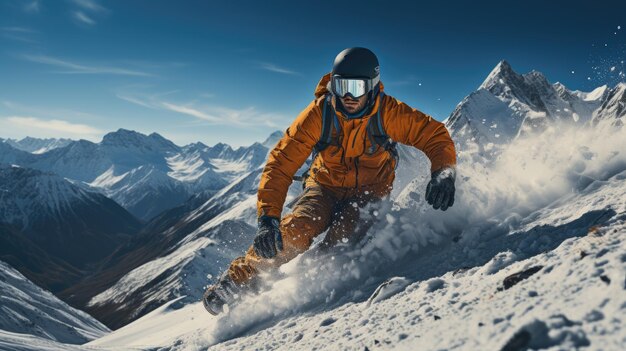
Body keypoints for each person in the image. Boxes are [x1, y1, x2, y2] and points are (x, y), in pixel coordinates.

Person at [203, 47, 457, 315]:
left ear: (371, 87)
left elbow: (434, 136)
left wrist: (443, 172)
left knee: (343, 243)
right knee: (295, 232)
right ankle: (236, 281)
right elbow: (280, 163)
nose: (347, 96)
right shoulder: (319, 114)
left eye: (355, 88)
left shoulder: (389, 113)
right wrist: (268, 218)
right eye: (340, 86)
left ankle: (302, 286)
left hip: (370, 193)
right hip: (323, 186)